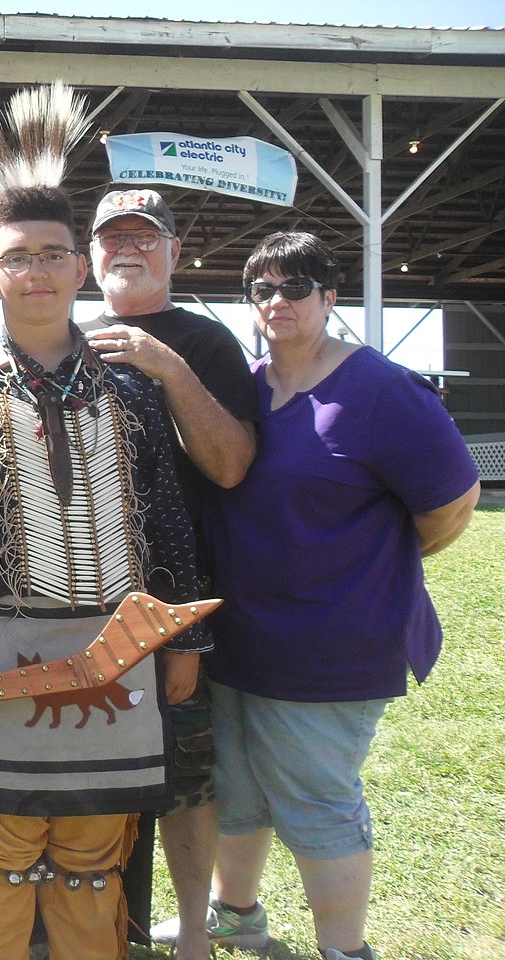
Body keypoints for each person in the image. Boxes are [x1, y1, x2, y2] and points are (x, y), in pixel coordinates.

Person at [0, 177, 210, 958]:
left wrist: (185, 642)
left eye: (52, 255)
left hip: (119, 653)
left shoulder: (134, 386)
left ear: (80, 268)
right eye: (16, 257)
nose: (34, 271)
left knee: (92, 863)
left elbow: (168, 519)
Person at [201, 231, 479, 960]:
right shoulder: (249, 386)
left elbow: (453, 501)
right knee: (237, 792)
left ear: (330, 297)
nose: (278, 301)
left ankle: (344, 951)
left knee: (316, 805)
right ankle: (236, 917)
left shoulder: (379, 389)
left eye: (296, 287)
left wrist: (369, 564)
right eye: (262, 289)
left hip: (331, 648)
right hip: (241, 640)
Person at [83, 187, 258, 960]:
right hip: (78, 603)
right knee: (88, 773)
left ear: (174, 253)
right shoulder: (59, 336)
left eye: (144, 238)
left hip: (180, 604)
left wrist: (164, 366)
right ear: (89, 253)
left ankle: (192, 932)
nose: (127, 249)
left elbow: (230, 466)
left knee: (186, 780)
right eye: (112, 238)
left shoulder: (206, 342)